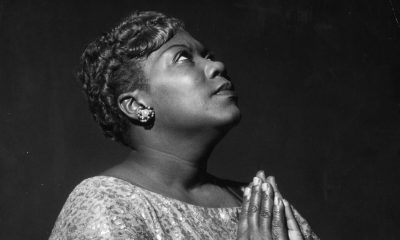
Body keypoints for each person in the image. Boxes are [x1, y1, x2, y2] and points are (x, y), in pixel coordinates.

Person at [49, 11, 319, 240]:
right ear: (137, 105)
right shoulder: (105, 203)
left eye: (208, 55)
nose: (217, 65)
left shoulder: (262, 206)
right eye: (182, 58)